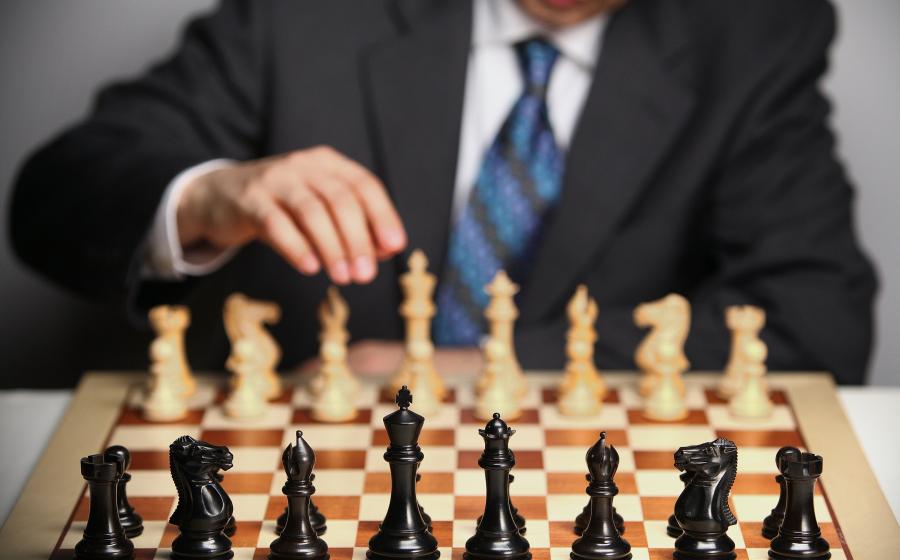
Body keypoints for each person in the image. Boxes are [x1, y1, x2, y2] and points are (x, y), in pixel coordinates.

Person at [9, 0, 877, 384]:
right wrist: (206, 197)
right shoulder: (302, 13)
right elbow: (52, 200)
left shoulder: (758, 31)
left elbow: (817, 322)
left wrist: (454, 369)